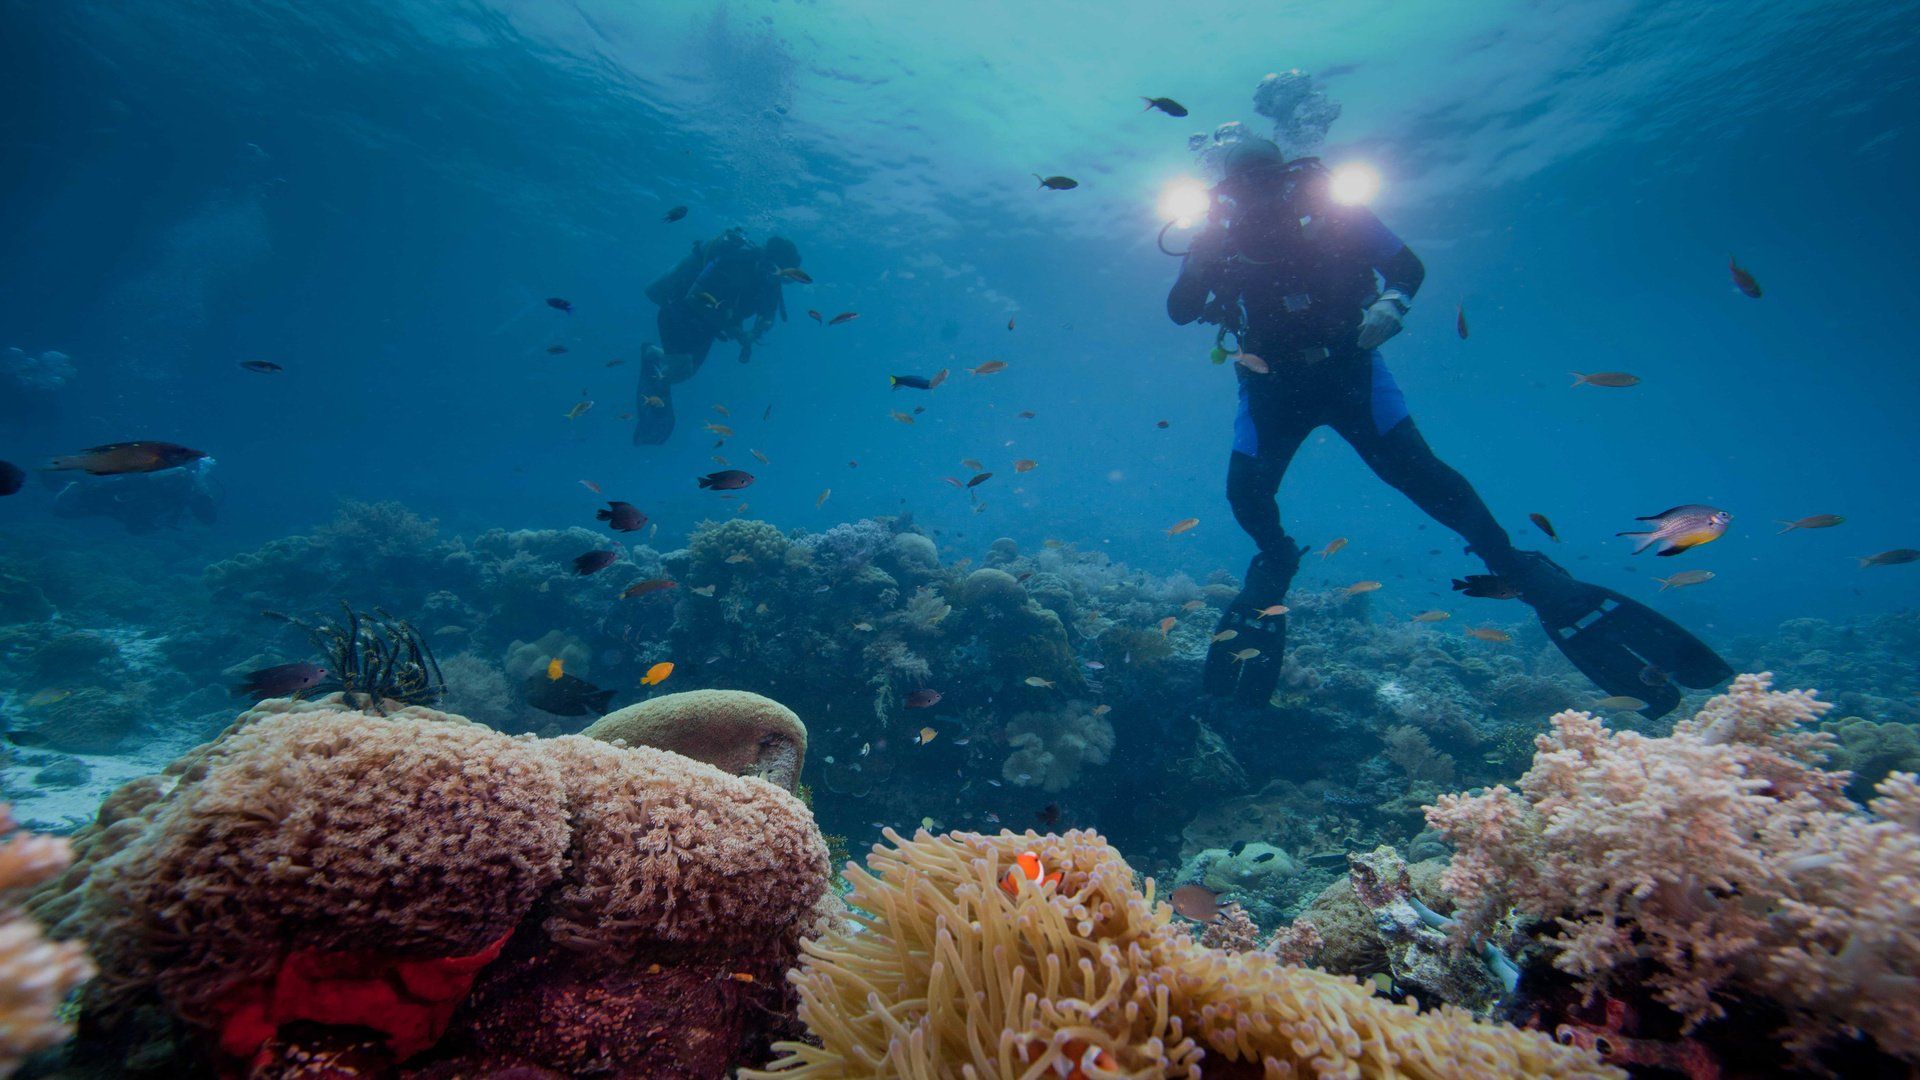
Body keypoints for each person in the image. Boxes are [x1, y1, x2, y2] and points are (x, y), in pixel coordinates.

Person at [1167, 137, 1729, 718]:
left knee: (1422, 477)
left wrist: (1393, 304)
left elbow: (1406, 266)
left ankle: (1515, 568)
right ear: (1228, 191)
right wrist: (1204, 254)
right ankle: (1276, 559)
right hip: (1270, 385)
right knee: (1246, 491)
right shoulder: (1218, 238)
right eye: (1246, 185)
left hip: (1352, 370)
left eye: (1269, 180)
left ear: (1288, 176)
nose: (1260, 194)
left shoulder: (1336, 214)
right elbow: (1181, 310)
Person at [633, 228, 801, 444]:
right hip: (680, 310)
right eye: (772, 270)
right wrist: (735, 331)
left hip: (710, 324)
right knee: (680, 367)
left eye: (783, 277)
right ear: (766, 259)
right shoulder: (735, 262)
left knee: (686, 372)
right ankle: (654, 359)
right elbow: (694, 297)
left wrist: (753, 334)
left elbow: (767, 317)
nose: (775, 278)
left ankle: (655, 355)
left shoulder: (771, 282)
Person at [48, 455, 221, 534]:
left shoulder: (187, 486)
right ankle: (72, 482)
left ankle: (76, 485)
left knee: (71, 510)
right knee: (72, 508)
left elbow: (208, 518)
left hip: (125, 505)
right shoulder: (180, 477)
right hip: (124, 502)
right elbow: (208, 518)